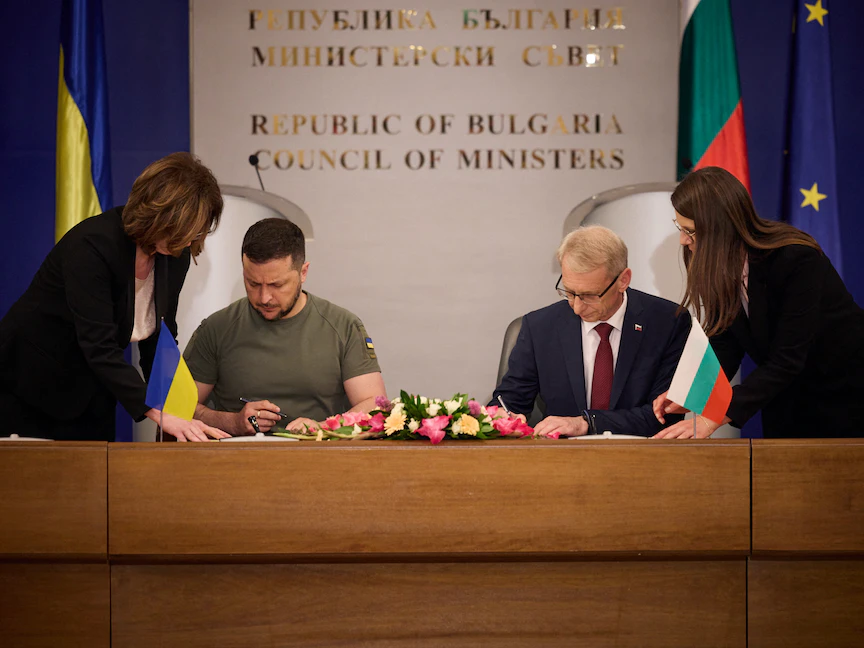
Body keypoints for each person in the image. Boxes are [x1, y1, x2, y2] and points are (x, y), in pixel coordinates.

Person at [0, 152, 229, 442]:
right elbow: (99, 346)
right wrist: (158, 413)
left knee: (96, 470)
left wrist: (178, 411)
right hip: (29, 384)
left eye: (195, 232)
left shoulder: (175, 254)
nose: (188, 241)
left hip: (94, 388)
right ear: (157, 215)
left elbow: (159, 339)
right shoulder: (91, 247)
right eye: (182, 229)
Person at [653, 166, 864, 439]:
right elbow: (726, 340)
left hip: (845, 400)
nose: (683, 240)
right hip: (785, 402)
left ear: (720, 228)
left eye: (690, 231)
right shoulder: (722, 267)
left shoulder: (797, 259)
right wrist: (692, 393)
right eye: (680, 228)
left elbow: (787, 359)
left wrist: (716, 415)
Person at [184, 217, 386, 435]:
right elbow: (175, 408)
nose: (264, 297)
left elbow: (376, 407)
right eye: (253, 283)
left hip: (319, 452)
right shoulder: (217, 329)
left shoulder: (343, 327)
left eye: (277, 285)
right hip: (238, 454)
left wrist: (322, 428)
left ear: (303, 273)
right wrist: (232, 422)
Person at [492, 225, 691, 437]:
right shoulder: (540, 327)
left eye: (590, 295)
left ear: (623, 280)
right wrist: (503, 416)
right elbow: (509, 402)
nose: (577, 308)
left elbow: (665, 416)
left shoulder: (668, 322)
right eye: (570, 292)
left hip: (641, 451)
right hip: (561, 454)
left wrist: (588, 423)